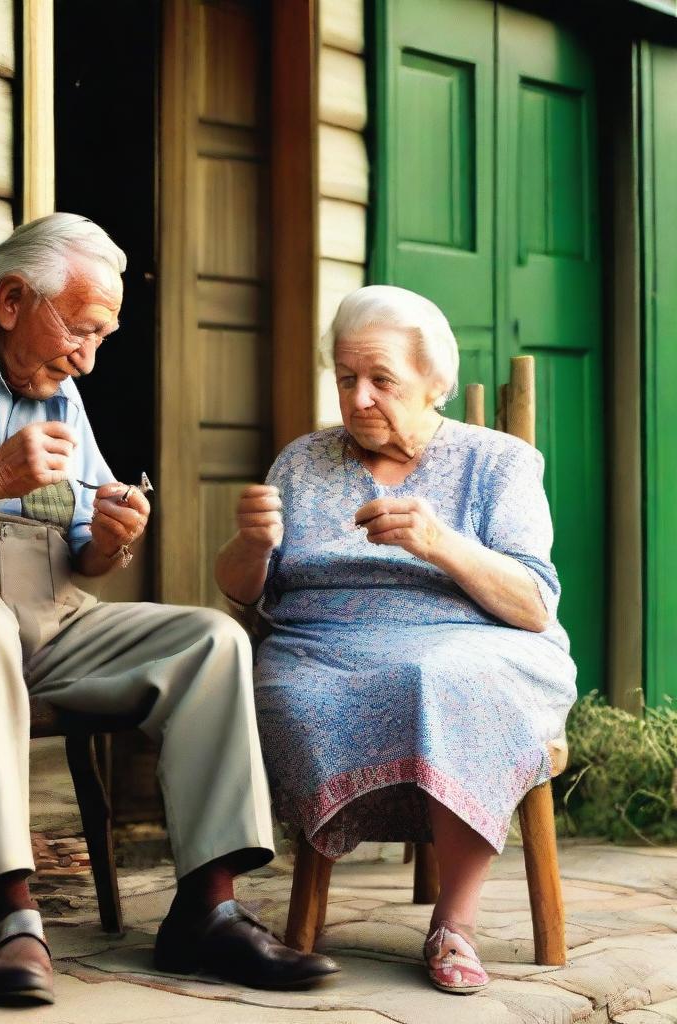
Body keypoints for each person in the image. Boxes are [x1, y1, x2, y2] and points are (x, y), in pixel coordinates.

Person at [0, 213, 337, 1006]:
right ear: (14, 298)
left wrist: (113, 540)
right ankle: (8, 920)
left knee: (210, 639)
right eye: (81, 331)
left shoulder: (60, 390)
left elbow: (85, 544)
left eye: (102, 337)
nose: (87, 359)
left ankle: (209, 908)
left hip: (44, 617)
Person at [215, 284, 577, 995]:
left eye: (382, 379)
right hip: (320, 648)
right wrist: (252, 543)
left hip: (473, 642)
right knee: (288, 687)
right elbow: (244, 590)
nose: (358, 398)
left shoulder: (498, 463)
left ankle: (454, 925)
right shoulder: (301, 462)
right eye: (346, 378)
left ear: (433, 383)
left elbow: (534, 604)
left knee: (444, 680)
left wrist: (441, 544)